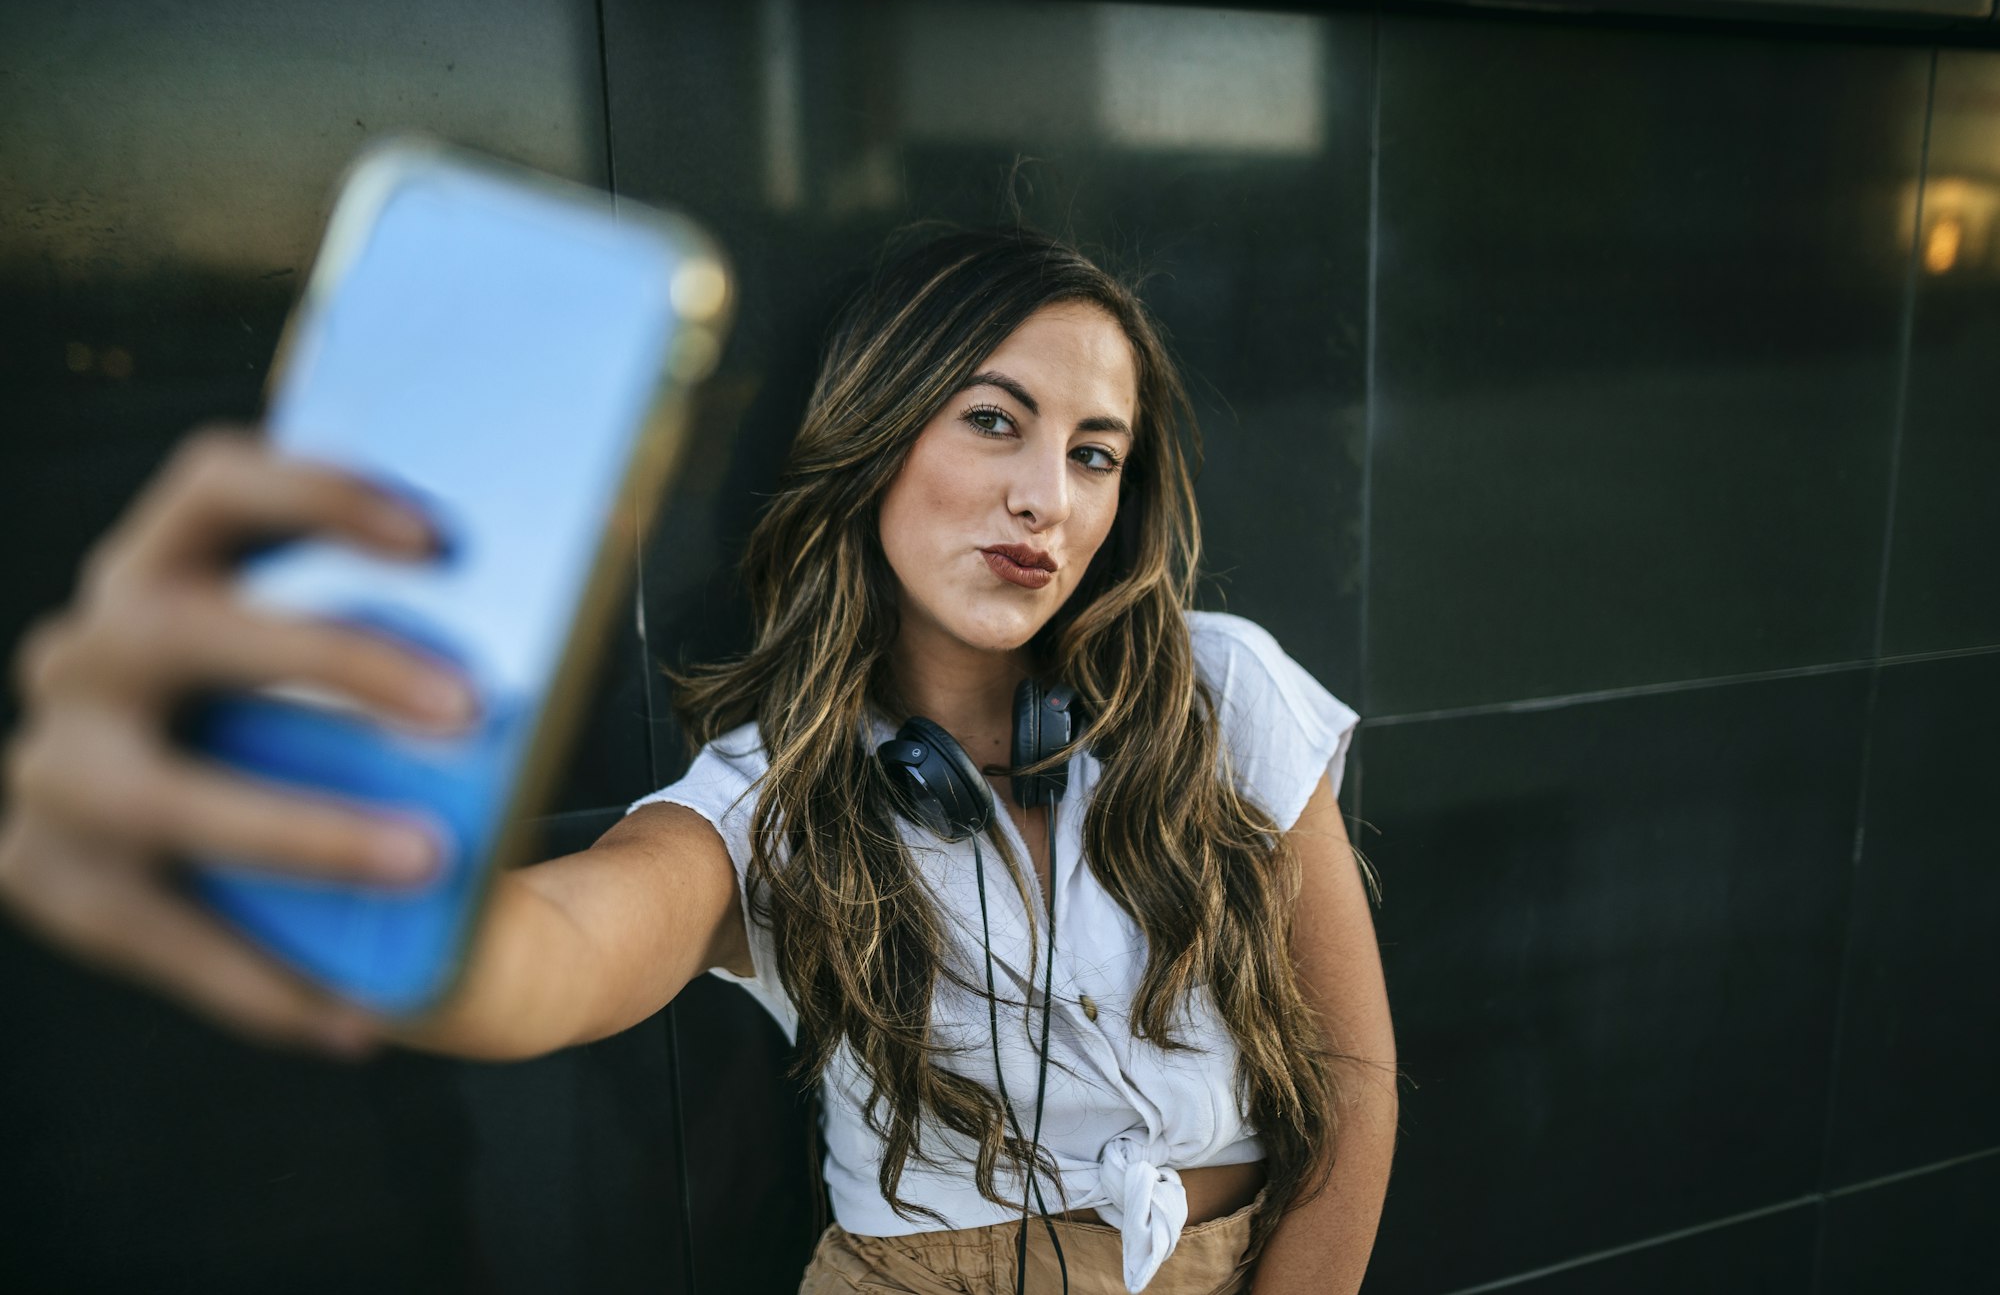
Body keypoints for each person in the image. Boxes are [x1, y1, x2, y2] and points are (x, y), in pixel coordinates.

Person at [0, 225, 1397, 1294]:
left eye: (1097, 453)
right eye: (992, 419)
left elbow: (1354, 1081)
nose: (1047, 493)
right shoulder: (772, 790)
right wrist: (323, 876)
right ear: (876, 434)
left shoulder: (1217, 688)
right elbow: (562, 943)